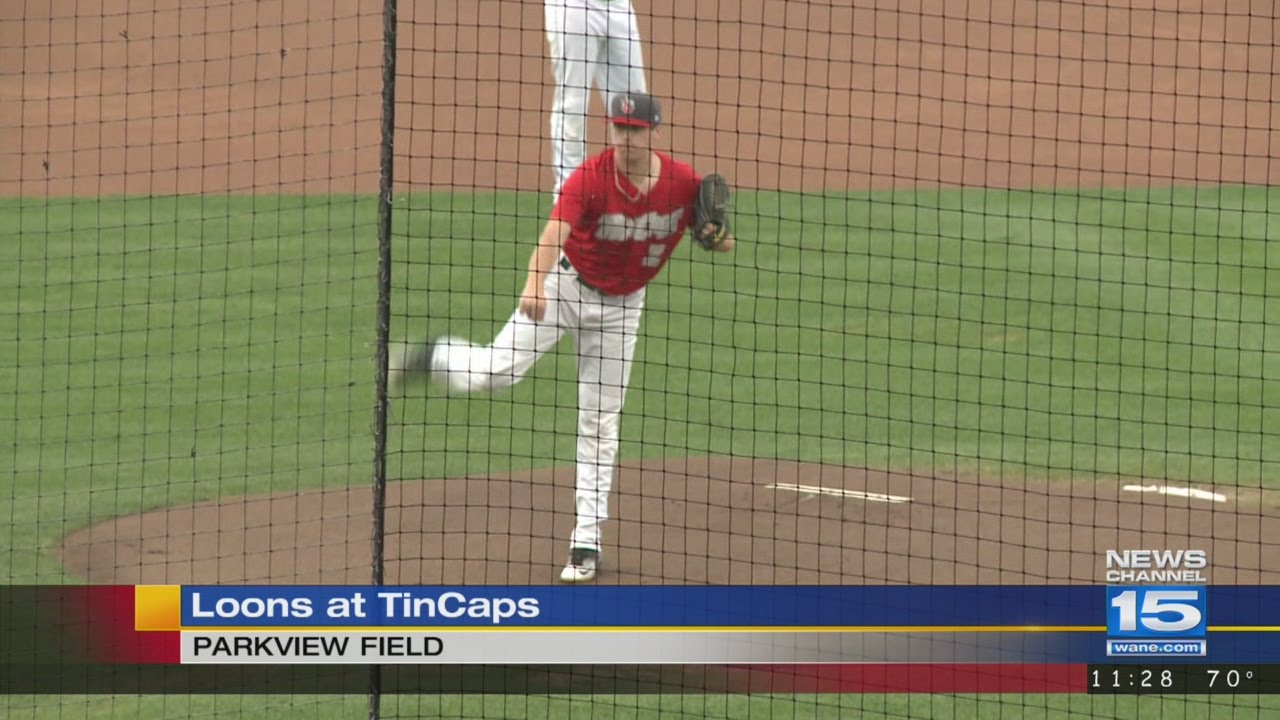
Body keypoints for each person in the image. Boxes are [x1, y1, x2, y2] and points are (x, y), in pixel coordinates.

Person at [390, 92, 735, 584]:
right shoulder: (591, 179)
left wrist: (716, 236)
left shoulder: (683, 184)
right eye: (619, 128)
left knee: (599, 423)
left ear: (654, 132)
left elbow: (721, 241)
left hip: (623, 310)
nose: (626, 137)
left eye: (635, 129)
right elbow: (552, 236)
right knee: (495, 374)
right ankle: (436, 355)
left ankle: (586, 541)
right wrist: (535, 282)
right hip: (565, 288)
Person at [544, 0, 649, 203]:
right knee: (572, 106)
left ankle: (631, 190)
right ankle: (570, 198)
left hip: (618, 6)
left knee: (635, 106)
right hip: (573, 6)